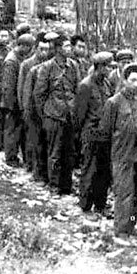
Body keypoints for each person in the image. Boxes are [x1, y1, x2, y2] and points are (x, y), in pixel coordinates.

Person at [101, 63, 137, 238]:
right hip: (121, 156)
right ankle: (121, 230)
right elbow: (105, 132)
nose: (136, 84)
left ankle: (132, 223)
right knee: (123, 194)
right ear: (124, 81)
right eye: (133, 80)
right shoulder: (113, 103)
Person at [34, 33, 80, 194]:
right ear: (59, 49)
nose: (69, 49)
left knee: (69, 153)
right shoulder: (47, 67)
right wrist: (45, 115)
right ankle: (54, 185)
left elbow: (77, 89)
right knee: (54, 153)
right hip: (53, 115)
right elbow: (39, 94)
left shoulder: (73, 66)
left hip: (69, 115)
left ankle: (66, 185)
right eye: (66, 46)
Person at [75, 51, 115, 214]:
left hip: (104, 135)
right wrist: (81, 135)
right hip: (91, 134)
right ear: (99, 67)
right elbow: (79, 114)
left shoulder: (106, 84)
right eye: (106, 66)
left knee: (103, 172)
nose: (109, 70)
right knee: (89, 170)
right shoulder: (85, 85)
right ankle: (85, 205)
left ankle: (100, 204)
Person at [1, 33, 35, 167]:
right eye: (29, 47)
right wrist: (14, 105)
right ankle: (10, 158)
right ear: (23, 46)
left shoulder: (20, 58)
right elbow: (8, 86)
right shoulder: (12, 61)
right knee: (11, 130)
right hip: (12, 102)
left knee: (18, 131)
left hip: (18, 100)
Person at [17, 32, 50, 171]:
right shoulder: (27, 65)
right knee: (31, 138)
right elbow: (22, 88)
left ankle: (39, 167)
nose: (44, 52)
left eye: (47, 49)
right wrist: (24, 107)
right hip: (30, 107)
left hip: (44, 108)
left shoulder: (48, 65)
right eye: (41, 49)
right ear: (35, 48)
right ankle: (30, 165)